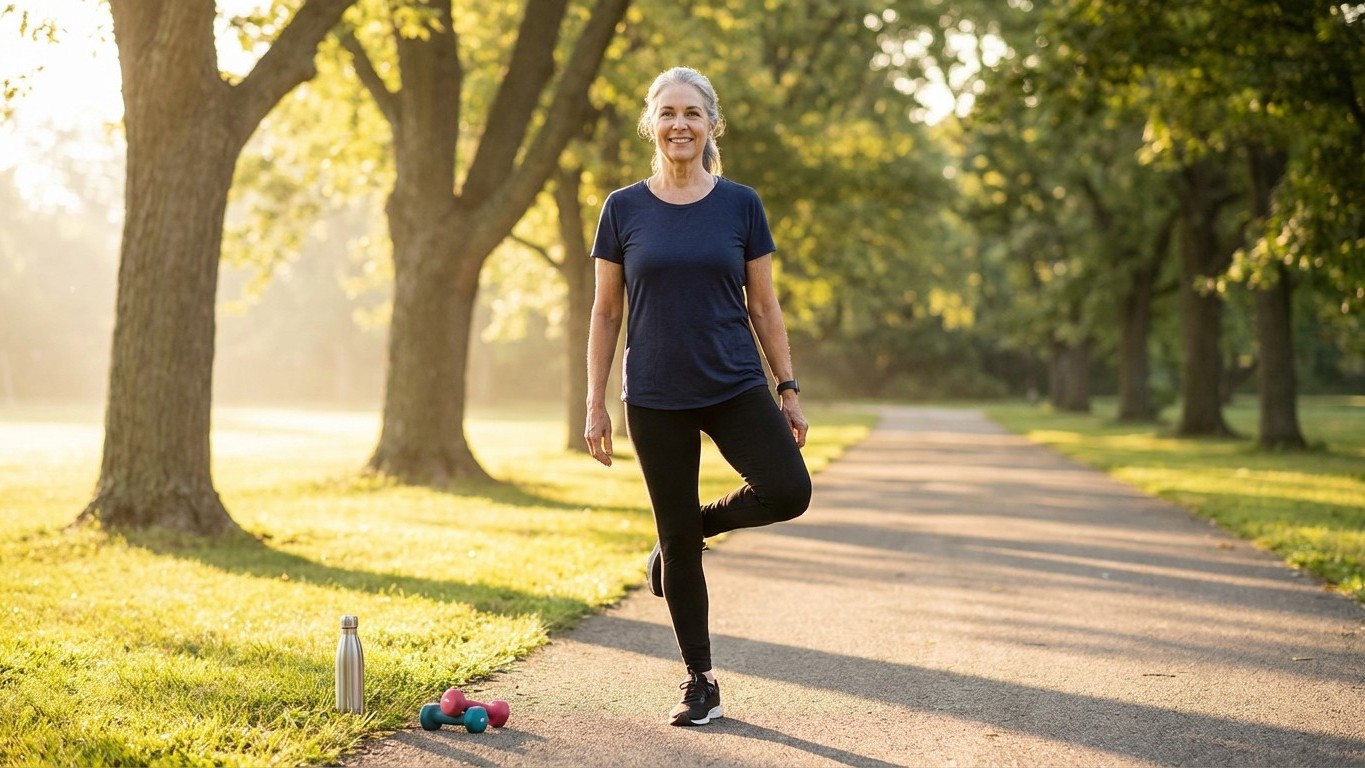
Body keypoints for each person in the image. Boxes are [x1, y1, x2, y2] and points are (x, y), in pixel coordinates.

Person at [584, 66, 812, 727]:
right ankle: (700, 680)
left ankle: (688, 527)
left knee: (787, 491)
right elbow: (605, 313)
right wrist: (594, 402)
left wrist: (787, 387)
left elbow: (763, 304)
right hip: (655, 395)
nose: (679, 124)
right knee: (678, 543)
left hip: (733, 382)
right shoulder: (622, 208)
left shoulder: (741, 205)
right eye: (667, 113)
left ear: (712, 125)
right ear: (651, 125)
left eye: (691, 113)